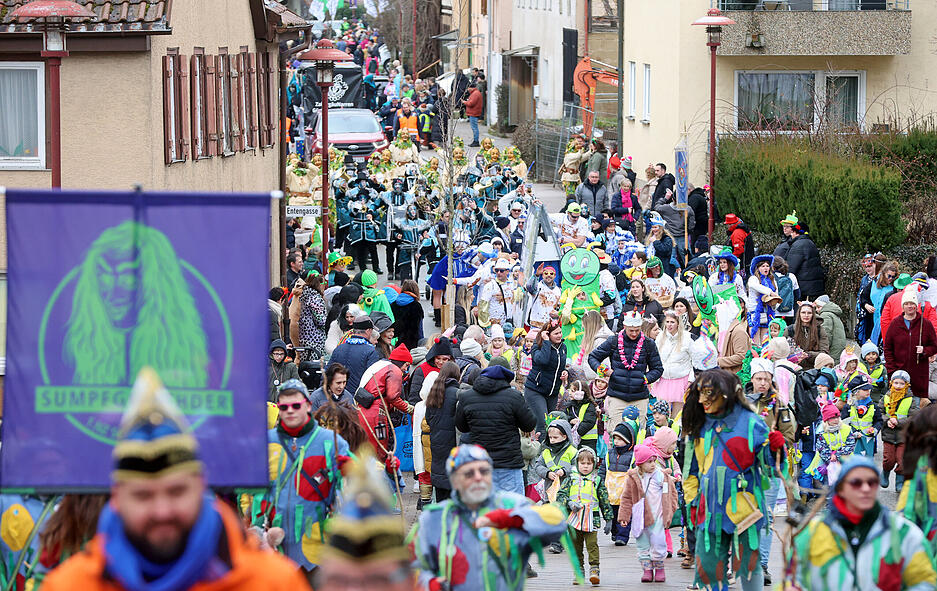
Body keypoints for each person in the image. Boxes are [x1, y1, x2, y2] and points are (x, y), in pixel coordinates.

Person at [42, 369, 311, 591]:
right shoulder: (70, 585)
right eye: (143, 495)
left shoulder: (272, 583)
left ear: (201, 484)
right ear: (117, 494)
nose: (162, 511)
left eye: (176, 491)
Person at [683, 369, 786, 591]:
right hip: (709, 510)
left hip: (744, 507)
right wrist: (692, 501)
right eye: (700, 393)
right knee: (709, 568)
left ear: (726, 393)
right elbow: (691, 470)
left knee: (749, 567)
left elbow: (769, 467)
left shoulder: (751, 423)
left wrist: (777, 449)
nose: (702, 400)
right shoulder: (699, 423)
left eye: (708, 393)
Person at [410, 445, 567, 591]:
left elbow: (557, 522)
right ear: (455, 480)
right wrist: (431, 584)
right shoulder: (434, 518)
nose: (478, 477)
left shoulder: (511, 504)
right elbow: (411, 568)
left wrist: (506, 518)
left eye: (484, 471)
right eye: (469, 473)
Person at [792, 455, 936, 591]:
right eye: (856, 482)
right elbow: (793, 580)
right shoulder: (812, 532)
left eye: (872, 482)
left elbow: (925, 582)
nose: (866, 488)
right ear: (840, 489)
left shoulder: (903, 533)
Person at [315, 453, 415, 591]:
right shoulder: (329, 456)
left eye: (377, 580)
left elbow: (388, 487)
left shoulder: (371, 464)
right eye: (340, 580)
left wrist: (390, 471)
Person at [746, 357, 796, 584]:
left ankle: (762, 564)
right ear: (752, 379)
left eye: (766, 379)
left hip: (769, 468)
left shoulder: (779, 405)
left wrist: (779, 443)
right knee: (743, 515)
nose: (763, 383)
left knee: (765, 517)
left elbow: (789, 434)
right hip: (744, 469)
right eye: (759, 378)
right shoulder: (740, 402)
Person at [457, 357, 538, 495]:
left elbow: (462, 427)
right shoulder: (514, 397)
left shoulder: (467, 397)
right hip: (509, 463)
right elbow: (529, 424)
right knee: (512, 509)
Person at [589, 311, 664, 432]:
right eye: (631, 330)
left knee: (638, 433)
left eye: (637, 330)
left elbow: (658, 369)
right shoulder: (613, 341)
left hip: (639, 396)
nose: (634, 333)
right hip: (616, 395)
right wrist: (605, 371)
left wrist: (645, 378)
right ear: (624, 327)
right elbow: (593, 357)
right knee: (616, 433)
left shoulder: (648, 344)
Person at [618, 442, 679, 584]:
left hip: (657, 516)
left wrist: (670, 510)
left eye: (654, 461)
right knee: (642, 544)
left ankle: (659, 568)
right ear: (640, 464)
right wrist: (624, 516)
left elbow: (671, 493)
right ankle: (646, 569)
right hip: (640, 518)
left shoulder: (660, 476)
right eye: (649, 462)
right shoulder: (633, 478)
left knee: (658, 543)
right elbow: (626, 497)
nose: (652, 464)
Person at [557, 447, 614, 585]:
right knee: (576, 546)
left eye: (589, 464)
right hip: (573, 520)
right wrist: (569, 503)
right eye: (583, 463)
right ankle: (579, 571)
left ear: (593, 464)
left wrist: (609, 519)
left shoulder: (597, 480)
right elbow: (560, 496)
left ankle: (594, 569)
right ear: (577, 463)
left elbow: (604, 500)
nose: (586, 466)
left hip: (591, 520)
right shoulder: (571, 479)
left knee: (592, 544)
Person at [884, 287, 937, 398]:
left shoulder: (925, 324)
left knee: (917, 409)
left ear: (916, 305)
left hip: (919, 375)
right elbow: (888, 348)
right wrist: (892, 371)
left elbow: (934, 345)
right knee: (899, 407)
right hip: (899, 375)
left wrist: (925, 351)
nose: (909, 306)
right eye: (906, 304)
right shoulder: (895, 324)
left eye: (912, 303)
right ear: (903, 306)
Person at [524, 319, 567, 438]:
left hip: (552, 392)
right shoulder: (536, 347)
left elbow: (561, 366)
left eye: (560, 332)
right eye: (556, 333)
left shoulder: (563, 347)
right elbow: (543, 360)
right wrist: (546, 342)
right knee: (542, 424)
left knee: (551, 425)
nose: (559, 336)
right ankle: (539, 453)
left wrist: (565, 372)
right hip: (535, 390)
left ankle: (548, 450)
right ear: (547, 335)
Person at [425, 361, 461, 501]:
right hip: (452, 444)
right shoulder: (457, 393)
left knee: (440, 487)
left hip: (436, 443)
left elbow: (428, 419)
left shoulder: (434, 393)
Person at [605, 419, 639, 546]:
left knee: (624, 513)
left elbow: (636, 472)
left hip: (625, 492)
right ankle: (615, 532)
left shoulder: (632, 456)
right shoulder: (609, 454)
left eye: (620, 439)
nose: (616, 441)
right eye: (615, 438)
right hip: (611, 491)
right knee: (612, 514)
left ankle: (622, 536)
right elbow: (604, 469)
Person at [327, 315, 382, 394]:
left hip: (338, 398)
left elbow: (327, 373)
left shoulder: (339, 348)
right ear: (368, 331)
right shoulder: (370, 351)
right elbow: (373, 381)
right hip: (358, 401)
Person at [654, 310, 694, 417]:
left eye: (672, 322)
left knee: (677, 415)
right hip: (663, 379)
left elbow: (694, 360)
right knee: (662, 414)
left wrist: (691, 380)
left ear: (678, 323)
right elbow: (655, 359)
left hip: (681, 380)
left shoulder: (687, 338)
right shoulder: (660, 337)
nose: (669, 325)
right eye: (667, 322)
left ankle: (675, 433)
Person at [859, 261, 899, 345]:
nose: (891, 278)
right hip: (872, 320)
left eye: (893, 276)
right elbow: (863, 296)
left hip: (886, 322)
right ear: (883, 273)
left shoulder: (895, 287)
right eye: (889, 276)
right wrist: (866, 305)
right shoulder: (873, 283)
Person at [784, 219, 825, 300]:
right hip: (813, 286)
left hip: (804, 288)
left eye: (792, 232)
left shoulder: (798, 245)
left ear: (795, 232)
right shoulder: (809, 242)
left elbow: (791, 268)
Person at [786, 302, 830, 370]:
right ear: (799, 314)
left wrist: (808, 355)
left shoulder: (820, 329)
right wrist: (796, 356)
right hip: (794, 367)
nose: (806, 315)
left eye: (809, 313)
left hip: (814, 369)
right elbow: (783, 351)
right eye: (803, 312)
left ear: (813, 314)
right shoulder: (790, 330)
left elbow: (824, 352)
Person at [717, 298, 752, 375]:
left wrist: (719, 361)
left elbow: (742, 356)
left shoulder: (738, 331)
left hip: (734, 377)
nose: (716, 315)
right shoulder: (724, 330)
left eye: (718, 313)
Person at [298, 274, 328, 361]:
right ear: (319, 284)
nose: (325, 286)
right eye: (324, 283)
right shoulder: (315, 298)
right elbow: (320, 321)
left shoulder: (306, 296)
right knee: (315, 365)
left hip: (305, 337)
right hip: (315, 339)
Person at [391, 279, 424, 349]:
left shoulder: (393, 304)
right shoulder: (416, 306)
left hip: (396, 341)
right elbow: (419, 328)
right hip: (412, 343)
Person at [814, 295, 847, 362]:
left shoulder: (825, 315)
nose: (817, 310)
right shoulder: (832, 313)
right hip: (837, 345)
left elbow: (826, 333)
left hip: (832, 348)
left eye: (818, 307)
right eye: (816, 307)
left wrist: (823, 347)